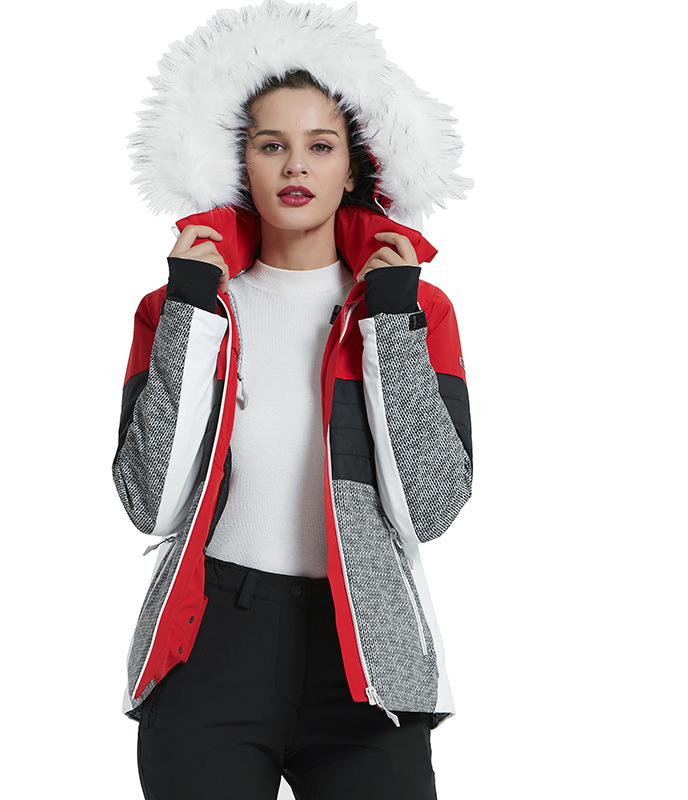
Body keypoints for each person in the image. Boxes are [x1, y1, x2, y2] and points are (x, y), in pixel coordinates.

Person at [112, 2, 474, 798]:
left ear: (355, 165)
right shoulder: (181, 309)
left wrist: (388, 320)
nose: (295, 168)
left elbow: (430, 507)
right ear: (238, 163)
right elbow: (150, 502)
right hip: (211, 645)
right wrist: (192, 308)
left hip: (362, 650)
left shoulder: (418, 312)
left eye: (320, 145)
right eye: (271, 145)